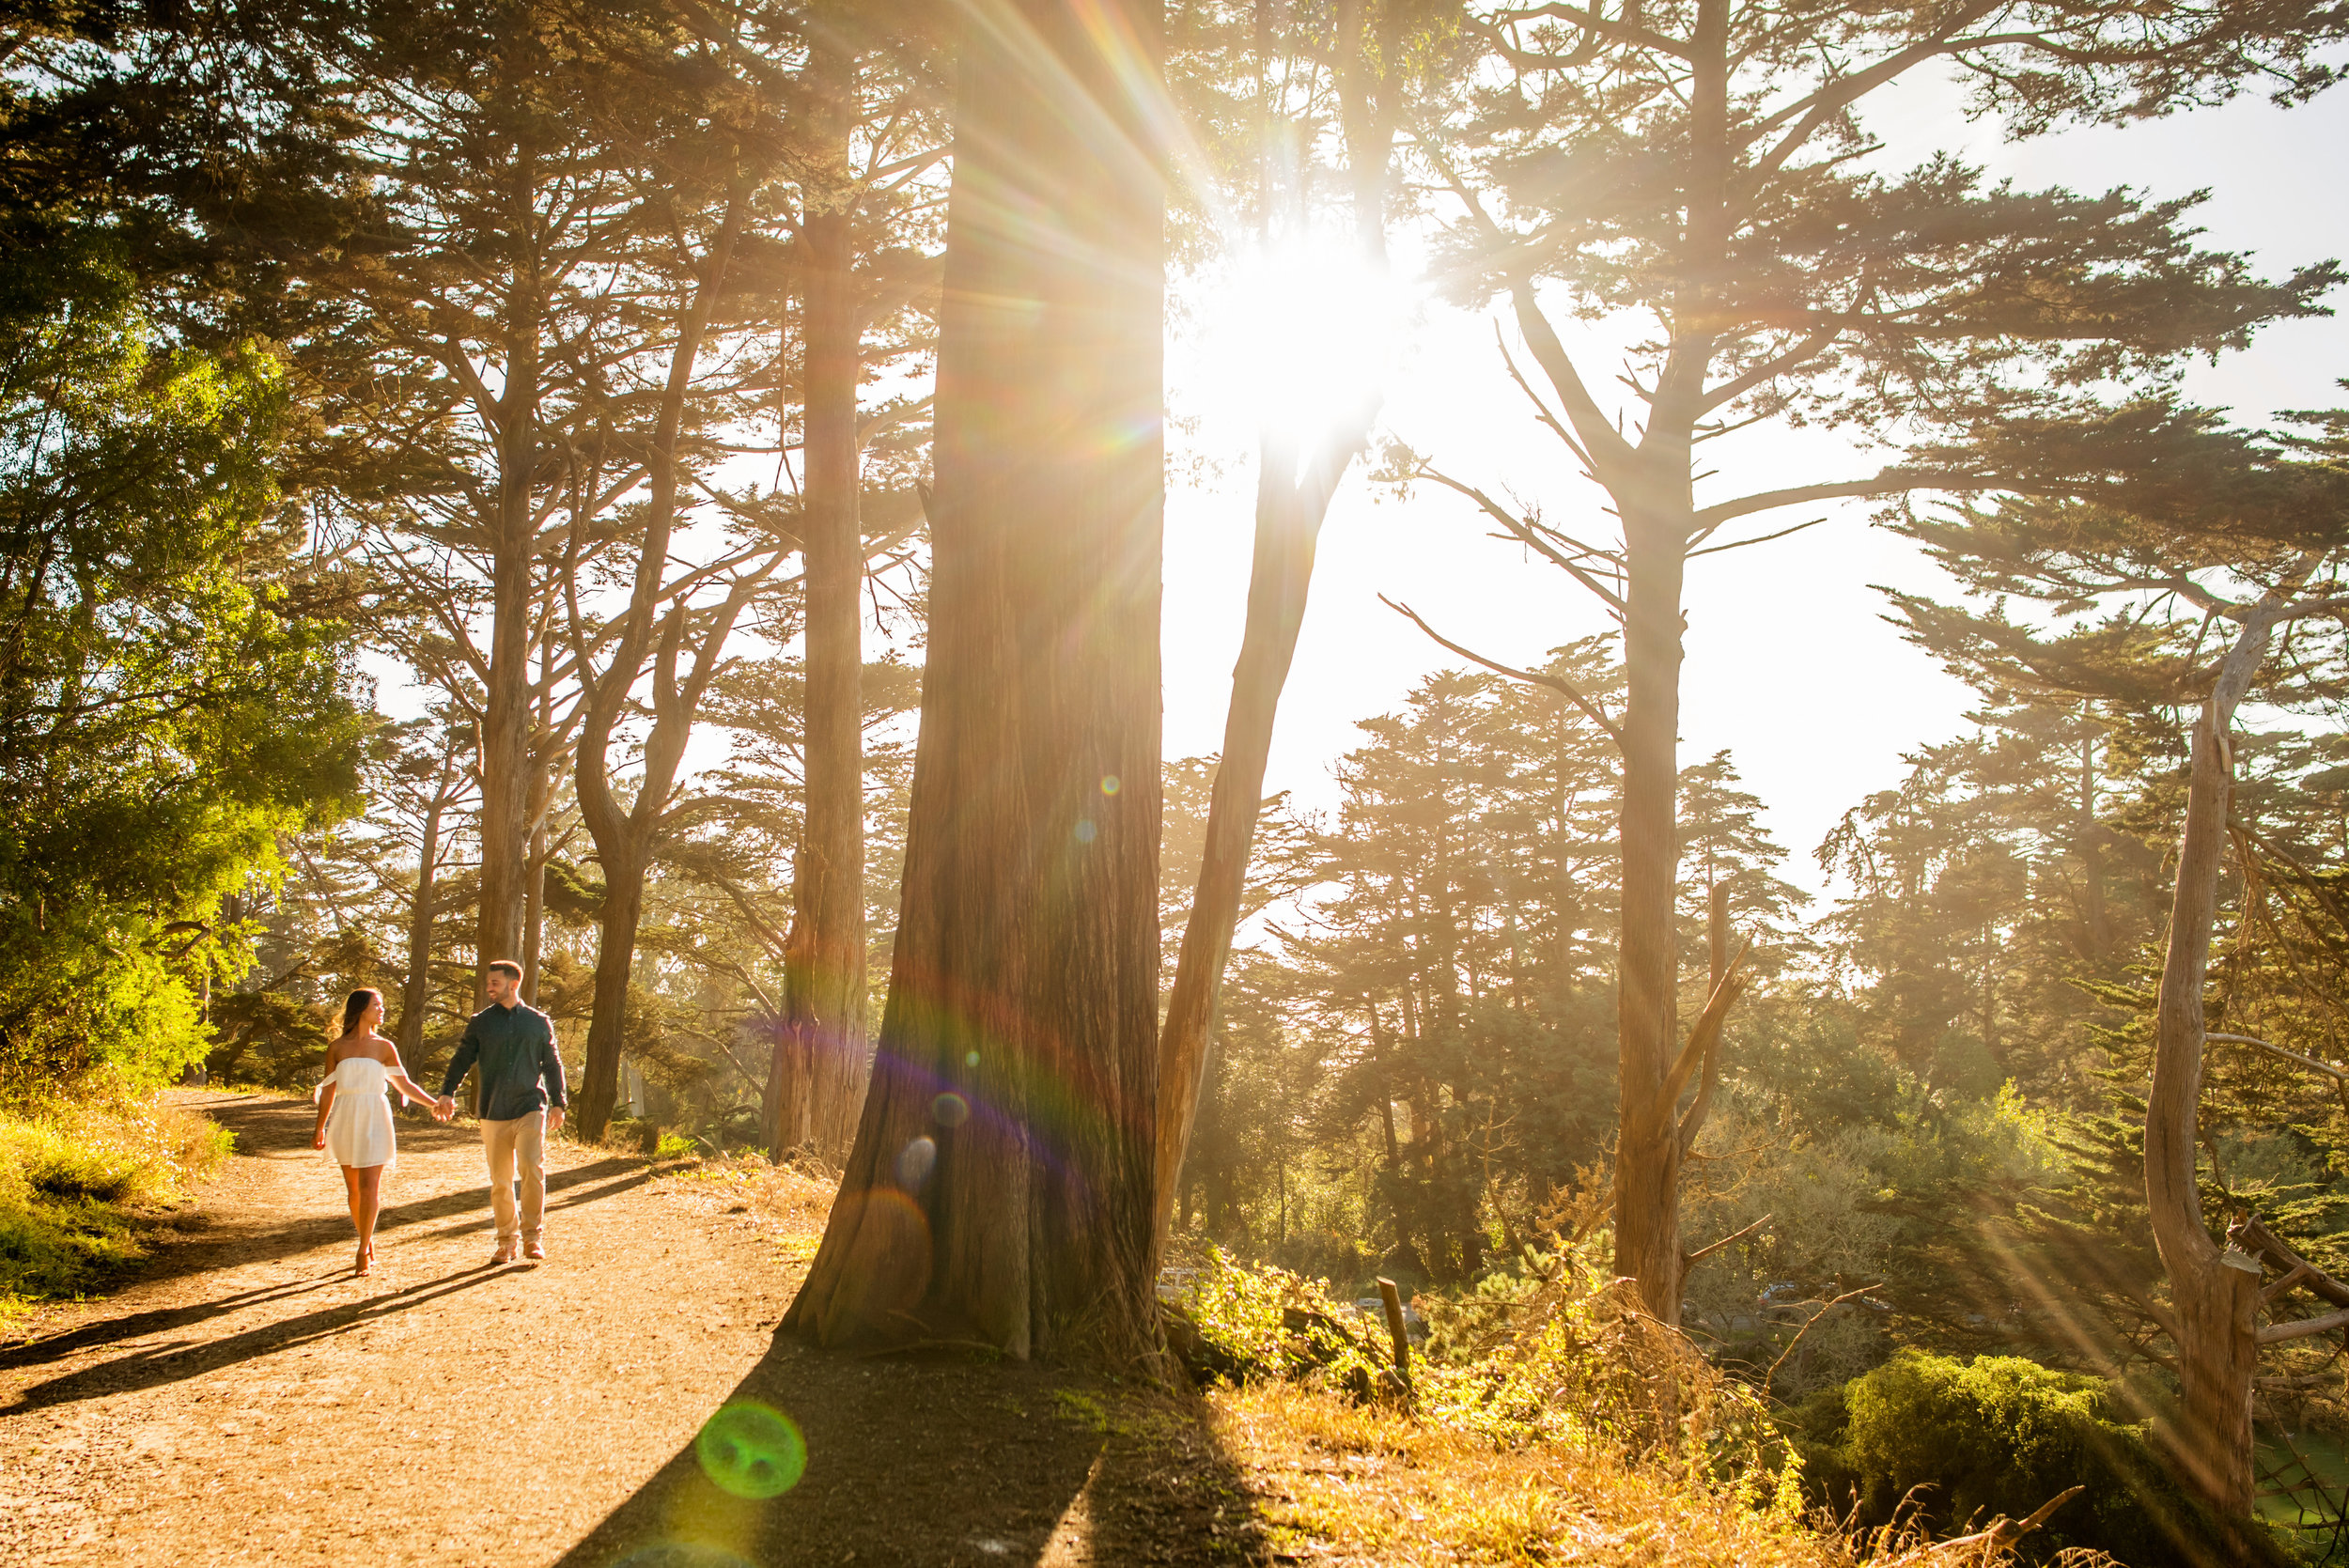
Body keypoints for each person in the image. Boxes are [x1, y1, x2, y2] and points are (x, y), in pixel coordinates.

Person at [436, 959, 568, 1265]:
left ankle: (533, 1237)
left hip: (530, 1106)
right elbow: (461, 1058)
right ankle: (507, 1240)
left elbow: (552, 1064)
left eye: (494, 982)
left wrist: (558, 1102)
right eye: (488, 983)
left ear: (513, 983)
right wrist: (447, 1091)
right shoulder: (481, 1022)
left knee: (532, 1170)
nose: (489, 988)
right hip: (493, 1110)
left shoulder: (538, 1022)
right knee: (501, 1180)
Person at [311, 988, 450, 1276]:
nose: (382, 1010)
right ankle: (368, 1238)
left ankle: (362, 1250)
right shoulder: (337, 1048)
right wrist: (320, 1127)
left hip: (375, 1115)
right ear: (362, 1009)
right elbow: (328, 1091)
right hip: (346, 1117)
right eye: (378, 1005)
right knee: (353, 1190)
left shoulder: (384, 1046)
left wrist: (433, 1103)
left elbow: (405, 1085)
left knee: (369, 1186)